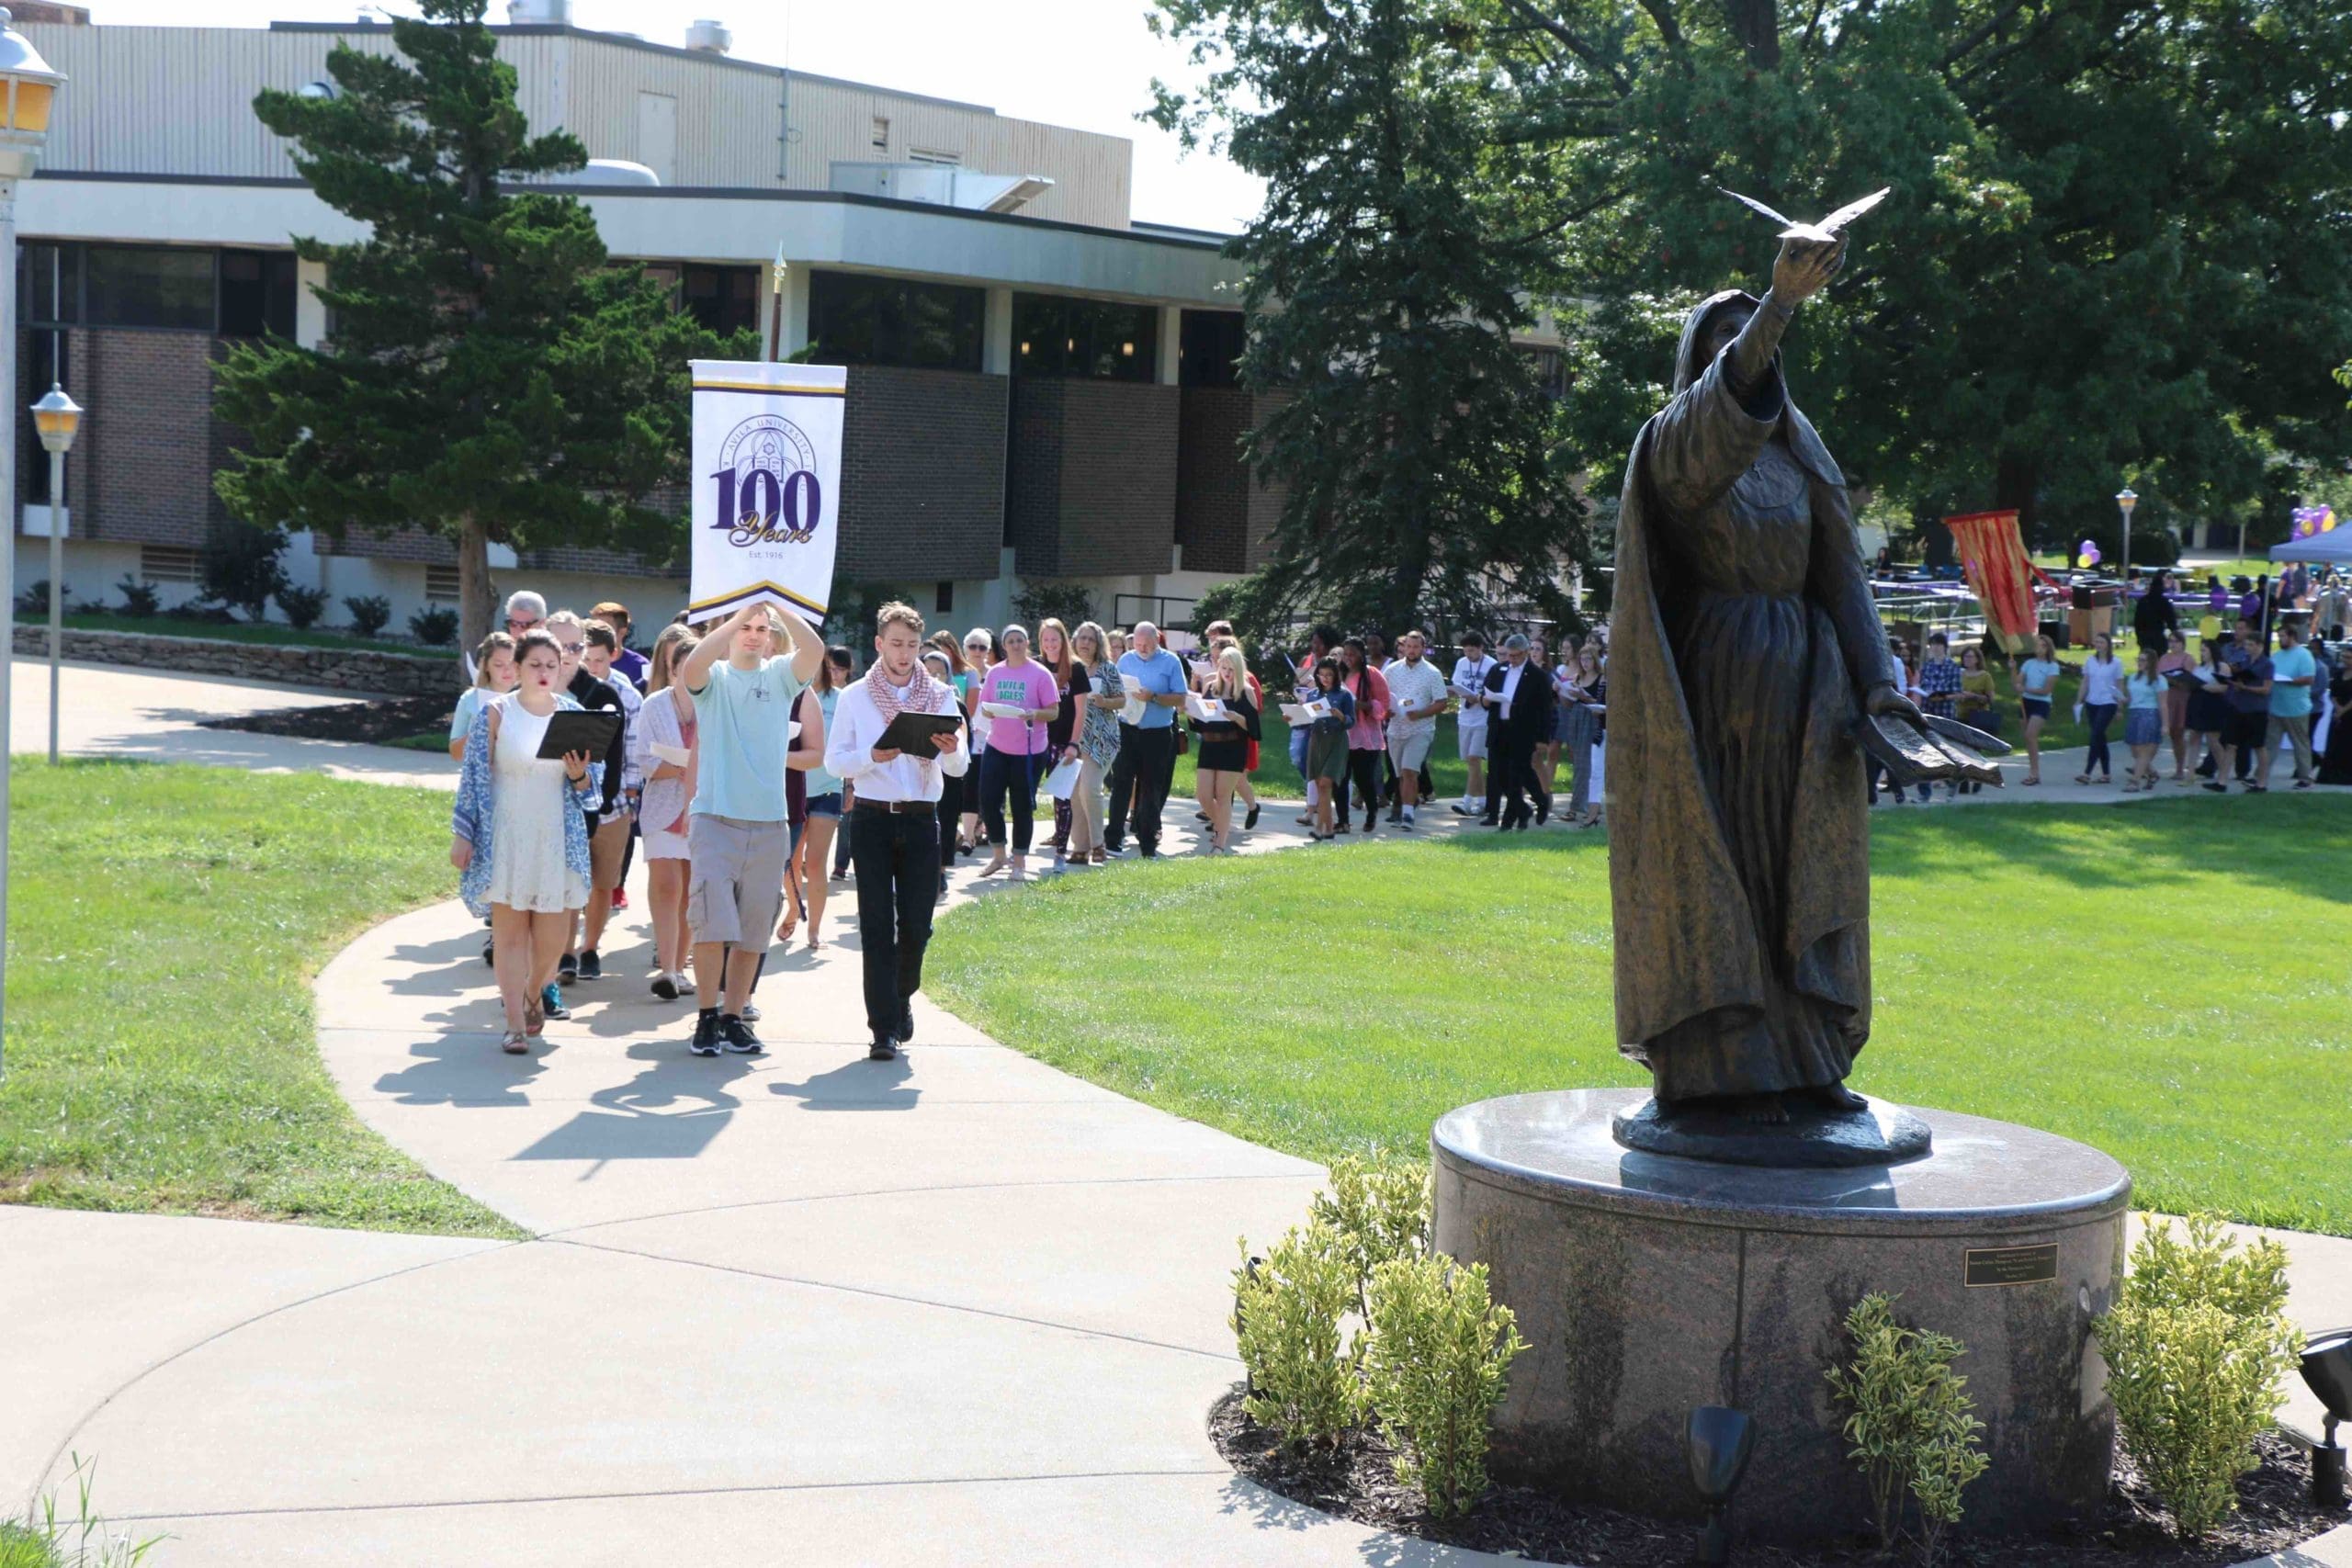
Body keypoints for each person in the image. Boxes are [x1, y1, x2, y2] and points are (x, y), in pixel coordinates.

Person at [824, 602, 970, 1061]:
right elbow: (834, 762)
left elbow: (960, 766)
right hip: (871, 816)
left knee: (917, 925)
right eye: (896, 644)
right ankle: (882, 1027)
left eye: (911, 645)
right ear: (879, 644)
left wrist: (948, 750)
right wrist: (873, 755)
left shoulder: (942, 697)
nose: (904, 654)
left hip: (922, 816)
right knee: (874, 924)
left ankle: (903, 994)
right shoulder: (856, 697)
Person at [677, 600, 823, 1058]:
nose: (753, 635)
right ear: (731, 630)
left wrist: (777, 601)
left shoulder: (780, 677)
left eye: (762, 628)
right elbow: (694, 664)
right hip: (715, 819)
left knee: (752, 932)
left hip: (769, 823)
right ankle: (705, 1018)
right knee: (712, 926)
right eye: (746, 627)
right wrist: (736, 615)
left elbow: (814, 648)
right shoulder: (714, 679)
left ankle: (733, 1018)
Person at [450, 627, 598, 1054]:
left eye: (552, 665)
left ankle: (536, 992)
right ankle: (514, 1021)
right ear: (517, 668)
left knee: (552, 940)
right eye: (534, 664)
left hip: (555, 835)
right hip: (506, 836)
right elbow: (473, 777)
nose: (544, 672)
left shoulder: (573, 714)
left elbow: (592, 792)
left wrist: (579, 775)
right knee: (511, 935)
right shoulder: (496, 713)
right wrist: (463, 833)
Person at [565, 616, 640, 981]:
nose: (592, 665)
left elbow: (631, 753)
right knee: (568, 883)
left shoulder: (624, 695)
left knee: (602, 883)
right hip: (570, 805)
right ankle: (563, 951)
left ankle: (590, 948)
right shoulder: (566, 689)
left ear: (613, 655)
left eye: (598, 658)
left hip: (613, 808)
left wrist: (625, 796)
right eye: (585, 657)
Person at [631, 625, 700, 1001]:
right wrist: (684, 768)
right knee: (667, 885)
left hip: (700, 809)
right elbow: (645, 760)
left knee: (691, 890)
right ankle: (667, 968)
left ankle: (681, 964)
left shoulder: (714, 704)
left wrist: (693, 769)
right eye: (686, 669)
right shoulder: (654, 705)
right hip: (661, 807)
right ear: (673, 670)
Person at [974, 625, 1059, 878]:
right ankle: (999, 856)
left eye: (1020, 640)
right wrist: (989, 711)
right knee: (989, 800)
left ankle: (1019, 860)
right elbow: (986, 705)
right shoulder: (995, 673)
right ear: (1004, 645)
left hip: (1029, 751)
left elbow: (1054, 711)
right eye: (1010, 641)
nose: (1015, 645)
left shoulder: (1041, 674)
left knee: (1022, 806)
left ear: (1027, 643)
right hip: (997, 745)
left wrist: (1035, 713)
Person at [1105, 620, 1189, 858]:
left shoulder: (1170, 661)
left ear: (1156, 642)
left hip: (1158, 733)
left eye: (1147, 645)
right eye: (1138, 644)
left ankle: (1147, 840)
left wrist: (1153, 697)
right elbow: (1115, 689)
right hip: (1128, 728)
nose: (1141, 649)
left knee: (1151, 788)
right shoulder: (1126, 660)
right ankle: (1113, 838)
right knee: (1121, 784)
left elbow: (1180, 698)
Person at [789, 646, 854, 949]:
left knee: (815, 863)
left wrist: (850, 786)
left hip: (829, 788)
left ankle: (814, 929)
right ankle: (792, 907)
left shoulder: (840, 700)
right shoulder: (789, 695)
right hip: (793, 788)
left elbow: (851, 744)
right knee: (788, 862)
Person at [1190, 645, 1260, 853]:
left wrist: (1238, 718)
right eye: (1224, 668)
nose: (1227, 673)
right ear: (1218, 667)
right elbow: (1201, 723)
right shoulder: (1211, 687)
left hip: (1233, 747)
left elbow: (1255, 729)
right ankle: (1222, 826)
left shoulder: (1246, 692)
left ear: (1239, 670)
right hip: (1209, 745)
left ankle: (1220, 842)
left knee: (1222, 795)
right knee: (1203, 796)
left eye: (1231, 669)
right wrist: (1192, 712)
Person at [1483, 633, 1555, 829]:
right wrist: (1485, 700)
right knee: (1500, 775)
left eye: (1515, 656)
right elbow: (1486, 695)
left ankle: (1511, 820)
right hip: (1499, 729)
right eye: (1509, 655)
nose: (1511, 659)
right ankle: (1525, 809)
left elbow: (1545, 709)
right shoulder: (1498, 669)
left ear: (1525, 653)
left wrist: (1542, 739)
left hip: (1523, 731)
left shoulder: (1537, 676)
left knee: (1518, 775)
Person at [1066, 621, 1122, 866]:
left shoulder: (1108, 669)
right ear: (1074, 642)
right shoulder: (1068, 668)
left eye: (1090, 639)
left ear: (1098, 643)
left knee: (1089, 789)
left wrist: (1104, 702)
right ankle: (1080, 847)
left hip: (1102, 738)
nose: (1085, 643)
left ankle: (1099, 844)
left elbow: (1122, 700)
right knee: (1074, 795)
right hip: (1075, 738)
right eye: (1082, 638)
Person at [1380, 630, 1448, 829]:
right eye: (1408, 646)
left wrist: (1420, 713)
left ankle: (1408, 815)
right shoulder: (1391, 670)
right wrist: (1386, 712)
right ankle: (1407, 806)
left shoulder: (1432, 673)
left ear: (1423, 648)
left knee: (1410, 771)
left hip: (1421, 729)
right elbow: (1382, 698)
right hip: (1396, 729)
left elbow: (1442, 702)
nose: (1411, 650)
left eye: (1416, 647)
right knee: (1401, 774)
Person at [1037, 618, 1085, 863]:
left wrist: (1074, 744)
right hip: (1037, 741)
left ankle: (1061, 849)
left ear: (1063, 640)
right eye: (1046, 640)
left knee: (1062, 798)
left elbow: (1081, 711)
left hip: (1063, 741)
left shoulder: (1075, 668)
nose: (1050, 644)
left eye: (1054, 639)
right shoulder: (1037, 665)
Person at [1337, 637, 1390, 835]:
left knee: (1363, 779)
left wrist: (1360, 705)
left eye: (1352, 654)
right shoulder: (1339, 674)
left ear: (1361, 654)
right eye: (1346, 654)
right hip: (1342, 734)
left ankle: (1372, 813)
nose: (1348, 658)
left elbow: (1383, 706)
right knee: (1340, 779)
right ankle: (1343, 821)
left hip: (1364, 735)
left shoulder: (1372, 675)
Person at [2258, 620, 2318, 791]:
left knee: (2300, 744)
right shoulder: (2276, 656)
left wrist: (2290, 681)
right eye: (2278, 636)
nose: (2280, 639)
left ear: (2292, 636)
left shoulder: (2304, 655)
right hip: (2276, 707)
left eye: (2282, 636)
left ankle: (2305, 776)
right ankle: (2261, 775)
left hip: (2296, 708)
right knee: (2270, 743)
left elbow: (2309, 679)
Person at [1301, 656, 1355, 840]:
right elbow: (1306, 720)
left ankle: (1318, 828)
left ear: (1335, 676)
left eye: (1329, 675)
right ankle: (1329, 828)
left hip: (1336, 742)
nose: (1325, 678)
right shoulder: (1312, 695)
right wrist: (1293, 718)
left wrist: (1340, 716)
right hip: (1317, 741)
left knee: (1325, 783)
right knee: (1319, 785)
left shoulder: (1344, 695)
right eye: (1322, 674)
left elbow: (1351, 722)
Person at [1291, 625, 1340, 825]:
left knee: (1316, 761)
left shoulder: (1334, 663)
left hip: (1325, 718)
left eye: (1319, 643)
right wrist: (1300, 688)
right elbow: (1295, 683)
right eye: (1313, 642)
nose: (1314, 646)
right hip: (1305, 713)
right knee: (1299, 757)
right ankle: (1315, 791)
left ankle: (1317, 800)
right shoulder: (1307, 661)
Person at [2220, 617, 2273, 791]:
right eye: (2247, 645)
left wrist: (2246, 687)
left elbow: (2266, 689)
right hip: (2239, 706)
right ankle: (2222, 781)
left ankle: (2261, 782)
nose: (2247, 648)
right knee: (2230, 744)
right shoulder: (2244, 662)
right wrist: (2233, 681)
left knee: (2259, 746)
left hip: (2257, 710)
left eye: (2251, 645)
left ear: (2259, 645)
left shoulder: (2267, 664)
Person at [1556, 645, 1607, 826]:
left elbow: (1600, 702)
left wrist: (1585, 698)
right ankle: (1582, 804)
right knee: (1577, 761)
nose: (1585, 663)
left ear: (1595, 660)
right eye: (1582, 660)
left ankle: (1579, 806)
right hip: (1576, 718)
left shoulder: (1601, 679)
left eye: (1588, 659)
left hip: (1591, 719)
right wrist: (1561, 691)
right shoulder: (1578, 677)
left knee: (1587, 763)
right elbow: (1569, 704)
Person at [450, 631, 518, 761]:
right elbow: (456, 754)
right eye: (499, 665)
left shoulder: (527, 696)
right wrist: (480, 730)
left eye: (512, 663)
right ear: (485, 665)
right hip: (481, 777)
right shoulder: (470, 699)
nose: (507, 670)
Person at [957, 627, 996, 854]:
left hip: (987, 738)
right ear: (965, 648)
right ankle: (966, 834)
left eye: (983, 647)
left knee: (979, 786)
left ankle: (972, 833)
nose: (977, 651)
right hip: (963, 735)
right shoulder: (960, 673)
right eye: (973, 646)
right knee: (964, 786)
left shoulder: (994, 674)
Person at [1449, 632, 1496, 816]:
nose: (1469, 655)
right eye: (1466, 651)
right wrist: (1455, 691)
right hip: (1465, 716)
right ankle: (1484, 802)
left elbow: (1492, 693)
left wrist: (1479, 697)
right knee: (1471, 761)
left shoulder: (1491, 665)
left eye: (1472, 651)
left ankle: (1467, 801)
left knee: (1475, 758)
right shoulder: (1461, 663)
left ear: (1480, 648)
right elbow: (1456, 685)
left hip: (1482, 718)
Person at [2186, 634, 2236, 791]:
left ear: (2212, 651)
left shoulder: (2222, 667)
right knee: (2193, 737)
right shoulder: (2198, 668)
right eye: (2201, 651)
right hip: (2197, 703)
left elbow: (2225, 687)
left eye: (2205, 650)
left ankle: (2223, 773)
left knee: (2213, 741)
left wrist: (2205, 687)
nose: (2202, 654)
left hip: (2214, 703)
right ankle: (2190, 773)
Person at [2075, 632, 2123, 786]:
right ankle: (2106, 774)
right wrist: (2079, 700)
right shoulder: (2090, 660)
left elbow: (2120, 685)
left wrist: (2120, 707)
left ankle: (2087, 773)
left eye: (2101, 642)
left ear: (2108, 644)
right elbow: (2085, 681)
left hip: (2108, 702)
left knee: (2096, 734)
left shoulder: (2116, 662)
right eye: (2096, 642)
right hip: (2092, 702)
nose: (2098, 645)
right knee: (2100, 738)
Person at [2016, 635, 2065, 786]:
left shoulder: (2052, 666)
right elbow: (2017, 683)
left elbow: (2046, 690)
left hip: (2041, 703)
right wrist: (2013, 671)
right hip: (2026, 702)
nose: (2039, 648)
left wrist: (2025, 689)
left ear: (2048, 648)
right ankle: (2032, 770)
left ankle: (2035, 773)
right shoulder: (2028, 663)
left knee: (2031, 735)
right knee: (2028, 738)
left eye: (2043, 645)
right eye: (2038, 645)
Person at [1953, 646, 1998, 795]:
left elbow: (1991, 698)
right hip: (1960, 715)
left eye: (1971, 657)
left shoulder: (1985, 676)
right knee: (1961, 750)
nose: (1967, 659)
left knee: (1974, 751)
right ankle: (1964, 782)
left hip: (1977, 717)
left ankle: (1978, 777)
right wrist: (1958, 696)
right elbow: (1952, 691)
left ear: (1978, 659)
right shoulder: (1959, 674)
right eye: (1965, 657)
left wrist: (1974, 696)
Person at [2121, 647, 2166, 793]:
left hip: (2150, 714)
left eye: (2143, 660)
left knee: (2143, 750)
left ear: (2151, 662)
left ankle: (2134, 781)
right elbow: (2131, 699)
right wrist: (2121, 699)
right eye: (2138, 659)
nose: (2139, 663)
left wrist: (2166, 724)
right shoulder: (2133, 678)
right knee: (2135, 750)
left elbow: (2163, 703)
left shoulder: (2159, 680)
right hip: (2134, 713)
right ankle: (2152, 774)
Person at [2156, 628, 2194, 781]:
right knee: (2162, 730)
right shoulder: (2164, 658)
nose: (2173, 644)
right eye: (2170, 641)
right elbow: (2158, 677)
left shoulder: (2188, 659)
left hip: (2181, 697)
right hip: (2166, 696)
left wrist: (2176, 681)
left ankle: (2180, 767)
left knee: (2178, 733)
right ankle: (2144, 763)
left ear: (2183, 643)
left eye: (2176, 641)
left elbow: (2191, 681)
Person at [594, 601, 650, 693]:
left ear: (622, 632)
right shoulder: (581, 664)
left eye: (605, 629)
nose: (596, 634)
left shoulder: (642, 665)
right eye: (594, 628)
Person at [2319, 642, 2352, 785]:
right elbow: (2333, 693)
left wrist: (2343, 710)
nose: (2346, 660)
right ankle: (2329, 774)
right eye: (2344, 657)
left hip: (2349, 713)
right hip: (2337, 711)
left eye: (2349, 658)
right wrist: (2337, 708)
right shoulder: (2338, 673)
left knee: (2347, 744)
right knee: (2333, 743)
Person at [2132, 570, 2177, 656]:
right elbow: (2171, 621)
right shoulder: (2164, 602)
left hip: (2144, 637)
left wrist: (2139, 637)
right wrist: (2174, 635)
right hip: (2159, 637)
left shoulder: (2143, 601)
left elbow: (2137, 622)